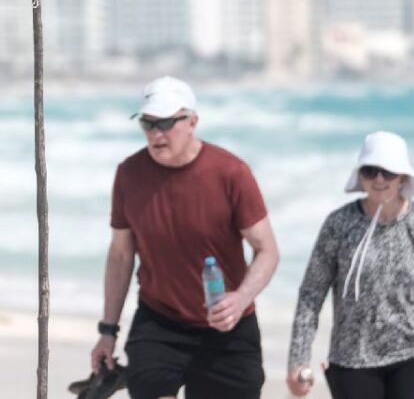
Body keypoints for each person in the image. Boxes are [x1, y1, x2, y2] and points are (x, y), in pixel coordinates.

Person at [90, 76, 279, 399]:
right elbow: (121, 255)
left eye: (165, 122)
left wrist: (241, 298)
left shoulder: (231, 173)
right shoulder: (129, 174)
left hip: (228, 328)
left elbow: (267, 250)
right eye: (147, 124)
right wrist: (107, 331)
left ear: (192, 121)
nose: (156, 134)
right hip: (159, 323)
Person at [287, 131, 414, 399]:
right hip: (352, 359)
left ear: (402, 177)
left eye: (388, 172)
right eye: (370, 170)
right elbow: (311, 294)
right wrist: (298, 360)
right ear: (360, 175)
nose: (378, 179)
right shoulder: (338, 225)